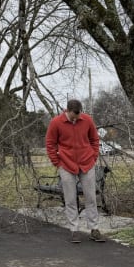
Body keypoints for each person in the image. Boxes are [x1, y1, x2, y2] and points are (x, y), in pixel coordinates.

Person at [45, 99, 104, 243]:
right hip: (66, 164)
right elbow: (50, 143)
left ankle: (94, 229)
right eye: (73, 116)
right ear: (67, 111)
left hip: (86, 164)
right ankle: (74, 230)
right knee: (70, 199)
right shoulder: (56, 122)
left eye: (78, 116)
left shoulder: (87, 120)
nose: (76, 119)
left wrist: (93, 156)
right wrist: (56, 162)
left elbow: (95, 140)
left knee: (90, 197)